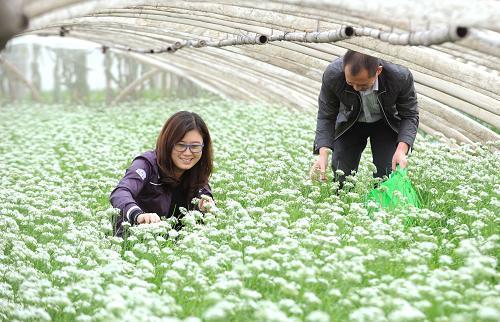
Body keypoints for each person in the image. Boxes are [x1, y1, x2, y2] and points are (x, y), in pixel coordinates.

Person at [312, 50, 419, 186]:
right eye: (350, 83)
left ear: (378, 71)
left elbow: (409, 114)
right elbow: (326, 115)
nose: (356, 88)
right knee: (342, 177)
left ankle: (381, 206)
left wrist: (401, 150)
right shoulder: (332, 74)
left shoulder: (400, 76)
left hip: (385, 124)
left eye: (363, 85)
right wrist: (323, 153)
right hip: (350, 123)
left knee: (386, 176)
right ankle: (346, 203)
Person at [110, 111, 215, 237]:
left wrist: (205, 207)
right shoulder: (146, 164)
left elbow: (205, 198)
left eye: (195, 146)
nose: (188, 152)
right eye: (180, 145)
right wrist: (138, 215)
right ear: (168, 143)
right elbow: (121, 192)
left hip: (181, 248)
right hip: (137, 243)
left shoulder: (197, 170)